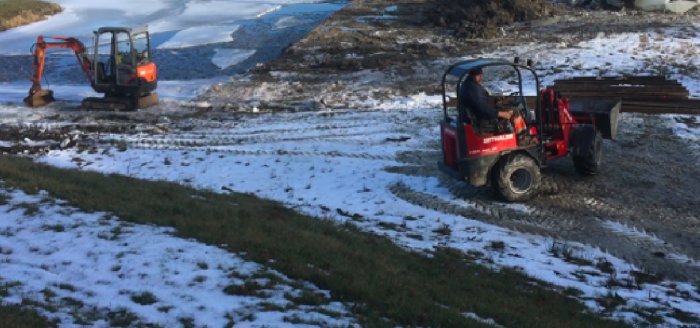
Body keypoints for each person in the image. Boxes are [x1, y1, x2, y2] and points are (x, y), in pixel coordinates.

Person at [460, 68, 514, 133]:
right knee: (514, 112)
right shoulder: (473, 89)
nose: (481, 78)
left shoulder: (469, 84)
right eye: (478, 76)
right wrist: (500, 114)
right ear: (472, 75)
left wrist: (495, 100)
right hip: (482, 120)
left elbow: (482, 101)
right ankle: (522, 136)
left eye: (481, 75)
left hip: (477, 115)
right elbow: (482, 108)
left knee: (508, 108)